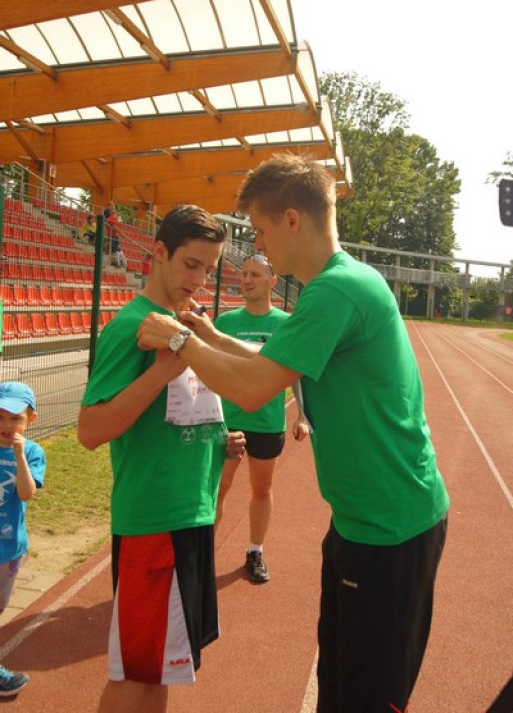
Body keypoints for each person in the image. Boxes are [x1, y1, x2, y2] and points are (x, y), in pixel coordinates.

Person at [136, 154, 450, 713]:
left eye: (258, 230)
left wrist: (182, 342)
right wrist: (212, 336)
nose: (256, 246)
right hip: (364, 522)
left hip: (389, 531)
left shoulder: (335, 291)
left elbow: (256, 388)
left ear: (291, 220)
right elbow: (272, 357)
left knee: (365, 697)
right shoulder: (342, 283)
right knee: (341, 682)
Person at [77, 205, 246, 713]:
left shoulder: (183, 325)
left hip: (187, 515)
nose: (199, 280)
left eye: (209, 270)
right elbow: (91, 430)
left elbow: (179, 414)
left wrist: (219, 443)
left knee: (165, 669)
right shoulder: (133, 326)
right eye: (191, 265)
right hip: (155, 521)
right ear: (158, 252)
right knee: (136, 676)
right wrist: (160, 372)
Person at [214, 252, 309, 582]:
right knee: (219, 487)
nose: (247, 279)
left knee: (261, 489)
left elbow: (296, 372)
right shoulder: (225, 323)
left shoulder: (285, 324)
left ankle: (255, 551)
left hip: (267, 422)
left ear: (272, 282)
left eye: (255, 275)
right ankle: (203, 556)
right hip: (229, 420)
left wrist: (301, 415)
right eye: (244, 274)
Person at [0, 382, 46, 697]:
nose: (6, 425)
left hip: (9, 548)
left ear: (31, 419)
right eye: (0, 417)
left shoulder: (32, 452)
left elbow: (26, 492)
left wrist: (19, 455)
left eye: (14, 418)